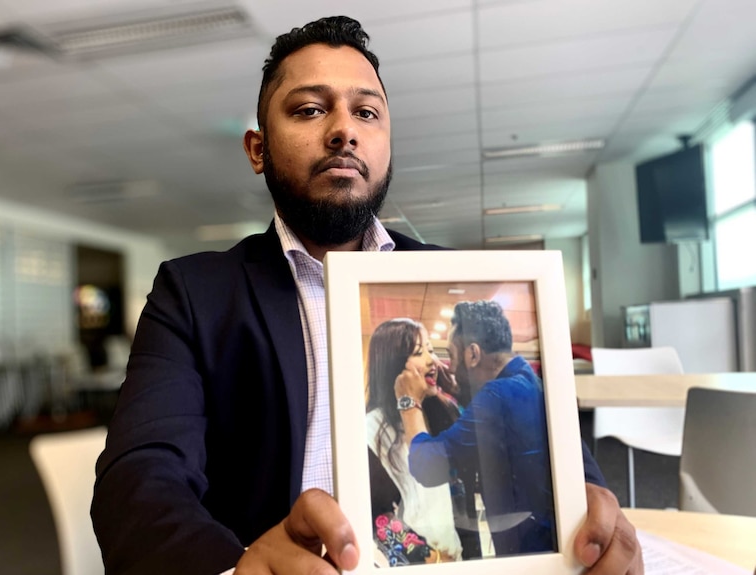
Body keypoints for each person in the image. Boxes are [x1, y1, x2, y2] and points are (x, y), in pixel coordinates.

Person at [91, 15, 644, 575]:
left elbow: (566, 463)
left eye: (367, 112)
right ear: (257, 149)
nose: (344, 131)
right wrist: (235, 569)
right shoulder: (195, 294)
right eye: (309, 109)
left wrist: (593, 512)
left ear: (386, 141)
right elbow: (138, 479)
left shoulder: (462, 275)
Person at [395, 300, 555, 556]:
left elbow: (428, 465)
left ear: (473, 354)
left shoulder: (496, 396)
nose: (445, 365)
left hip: (530, 556)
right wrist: (456, 389)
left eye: (451, 355)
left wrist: (408, 402)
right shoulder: (525, 379)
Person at [365, 318, 462, 564]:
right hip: (419, 565)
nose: (431, 360)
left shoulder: (441, 412)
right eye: (419, 353)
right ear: (394, 366)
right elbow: (378, 519)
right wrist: (432, 559)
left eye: (430, 349)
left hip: (458, 560)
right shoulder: (372, 429)